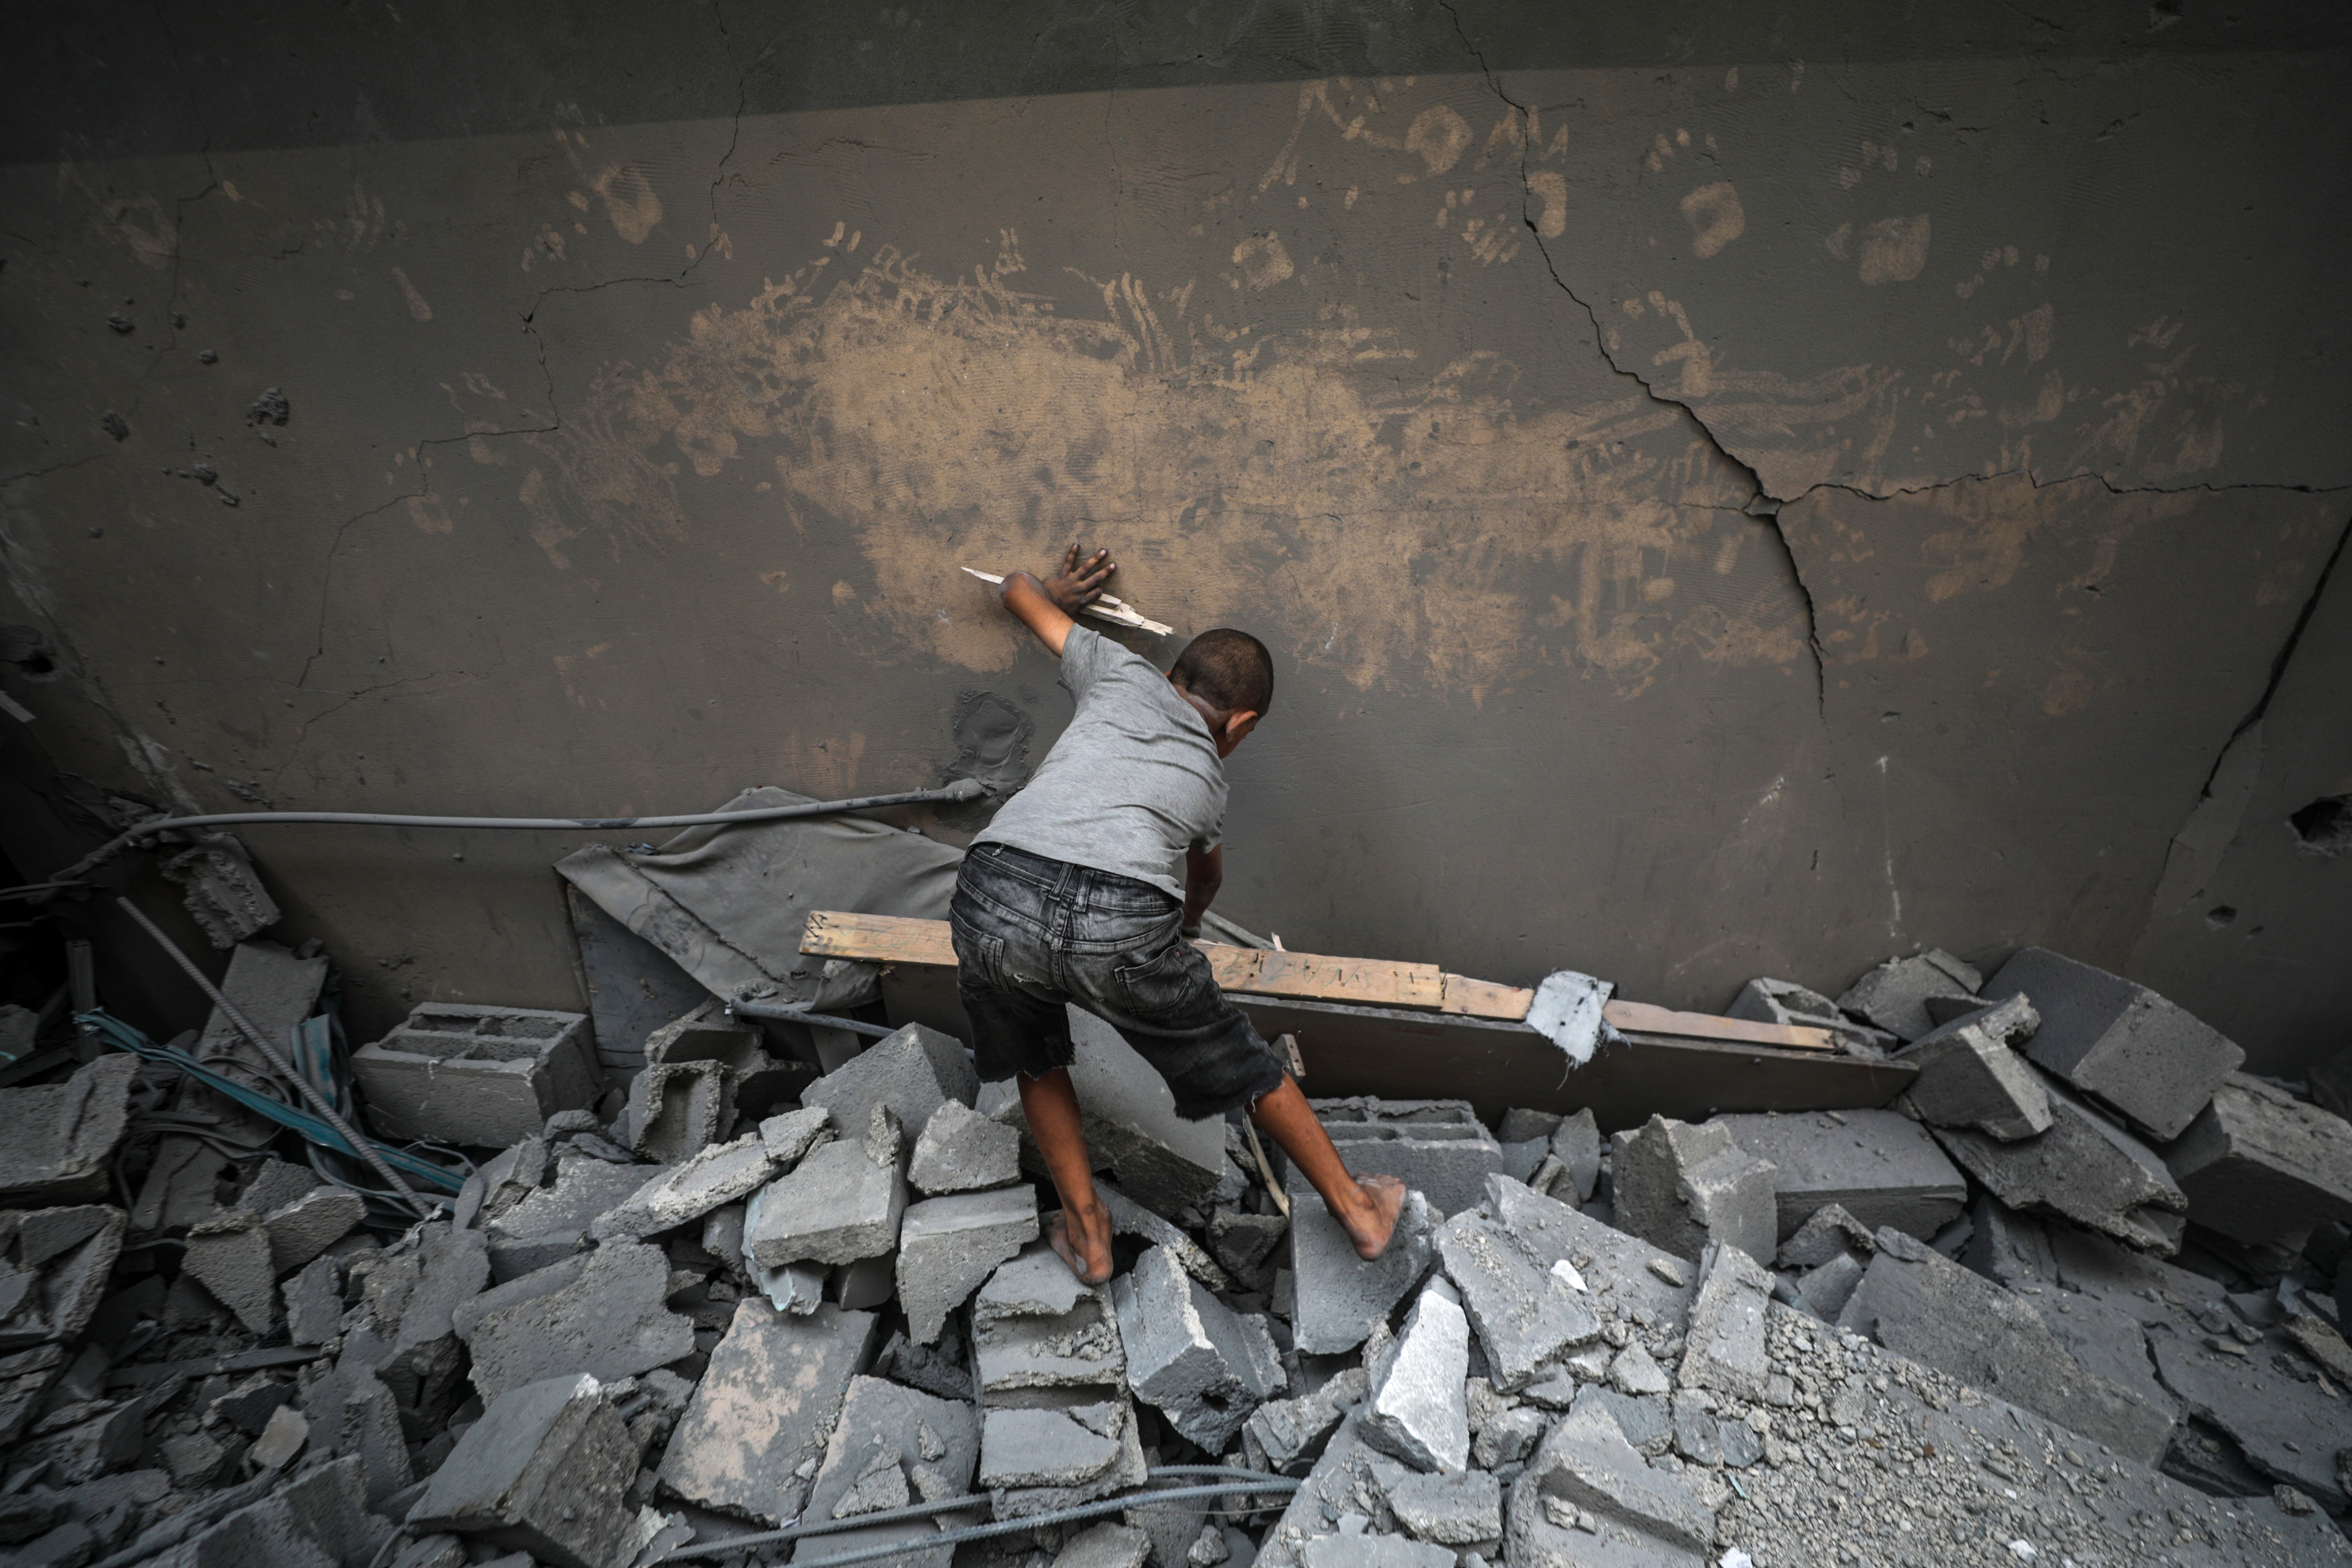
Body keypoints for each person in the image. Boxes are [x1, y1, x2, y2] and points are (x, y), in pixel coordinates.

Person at [950, 544, 1407, 1285]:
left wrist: (1057, 592)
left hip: (996, 883)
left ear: (1168, 675)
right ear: (1244, 722)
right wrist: (1185, 932)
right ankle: (1358, 1210)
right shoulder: (1209, 778)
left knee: (1034, 1053)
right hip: (1121, 918)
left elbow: (1012, 588)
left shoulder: (1115, 667)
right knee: (1243, 1063)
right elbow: (1206, 877)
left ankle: (1090, 1233)